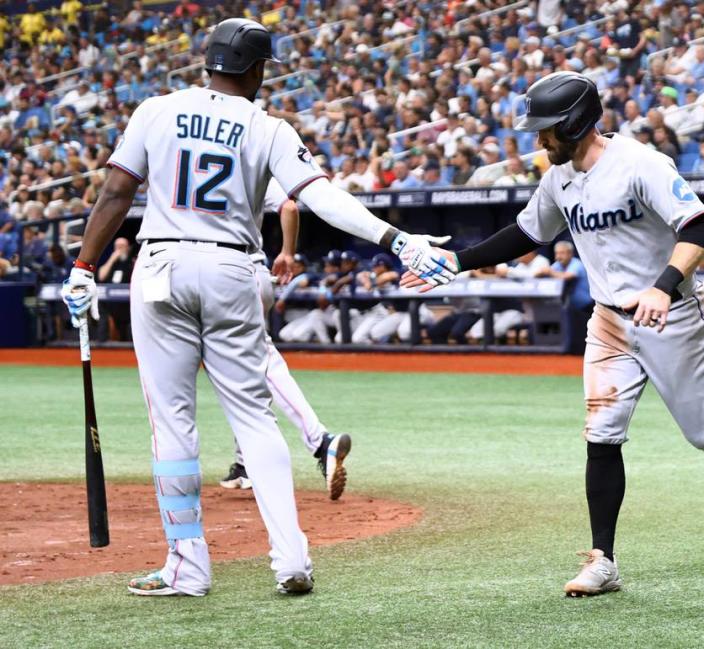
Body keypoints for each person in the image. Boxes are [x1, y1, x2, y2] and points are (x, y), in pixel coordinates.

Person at [60, 18, 454, 599]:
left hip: (161, 264)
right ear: (256, 69)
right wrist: (396, 240)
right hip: (232, 268)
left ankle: (187, 566)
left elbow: (117, 192)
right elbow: (319, 197)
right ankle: (291, 559)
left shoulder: (156, 108)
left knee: (172, 422)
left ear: (208, 63)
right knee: (253, 416)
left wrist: (83, 267)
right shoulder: (267, 126)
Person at [402, 72, 704, 597]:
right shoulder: (559, 177)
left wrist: (663, 286)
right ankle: (604, 560)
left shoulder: (640, 164)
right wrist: (457, 261)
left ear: (575, 123)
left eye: (547, 130)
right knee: (601, 433)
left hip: (673, 315)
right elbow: (527, 233)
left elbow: (701, 226)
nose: (540, 140)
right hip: (609, 321)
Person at [219, 178, 351, 500]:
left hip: (218, 272)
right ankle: (244, 463)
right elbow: (290, 206)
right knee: (243, 369)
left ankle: (320, 441)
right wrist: (288, 252)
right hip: (255, 270)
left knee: (258, 363)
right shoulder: (253, 157)